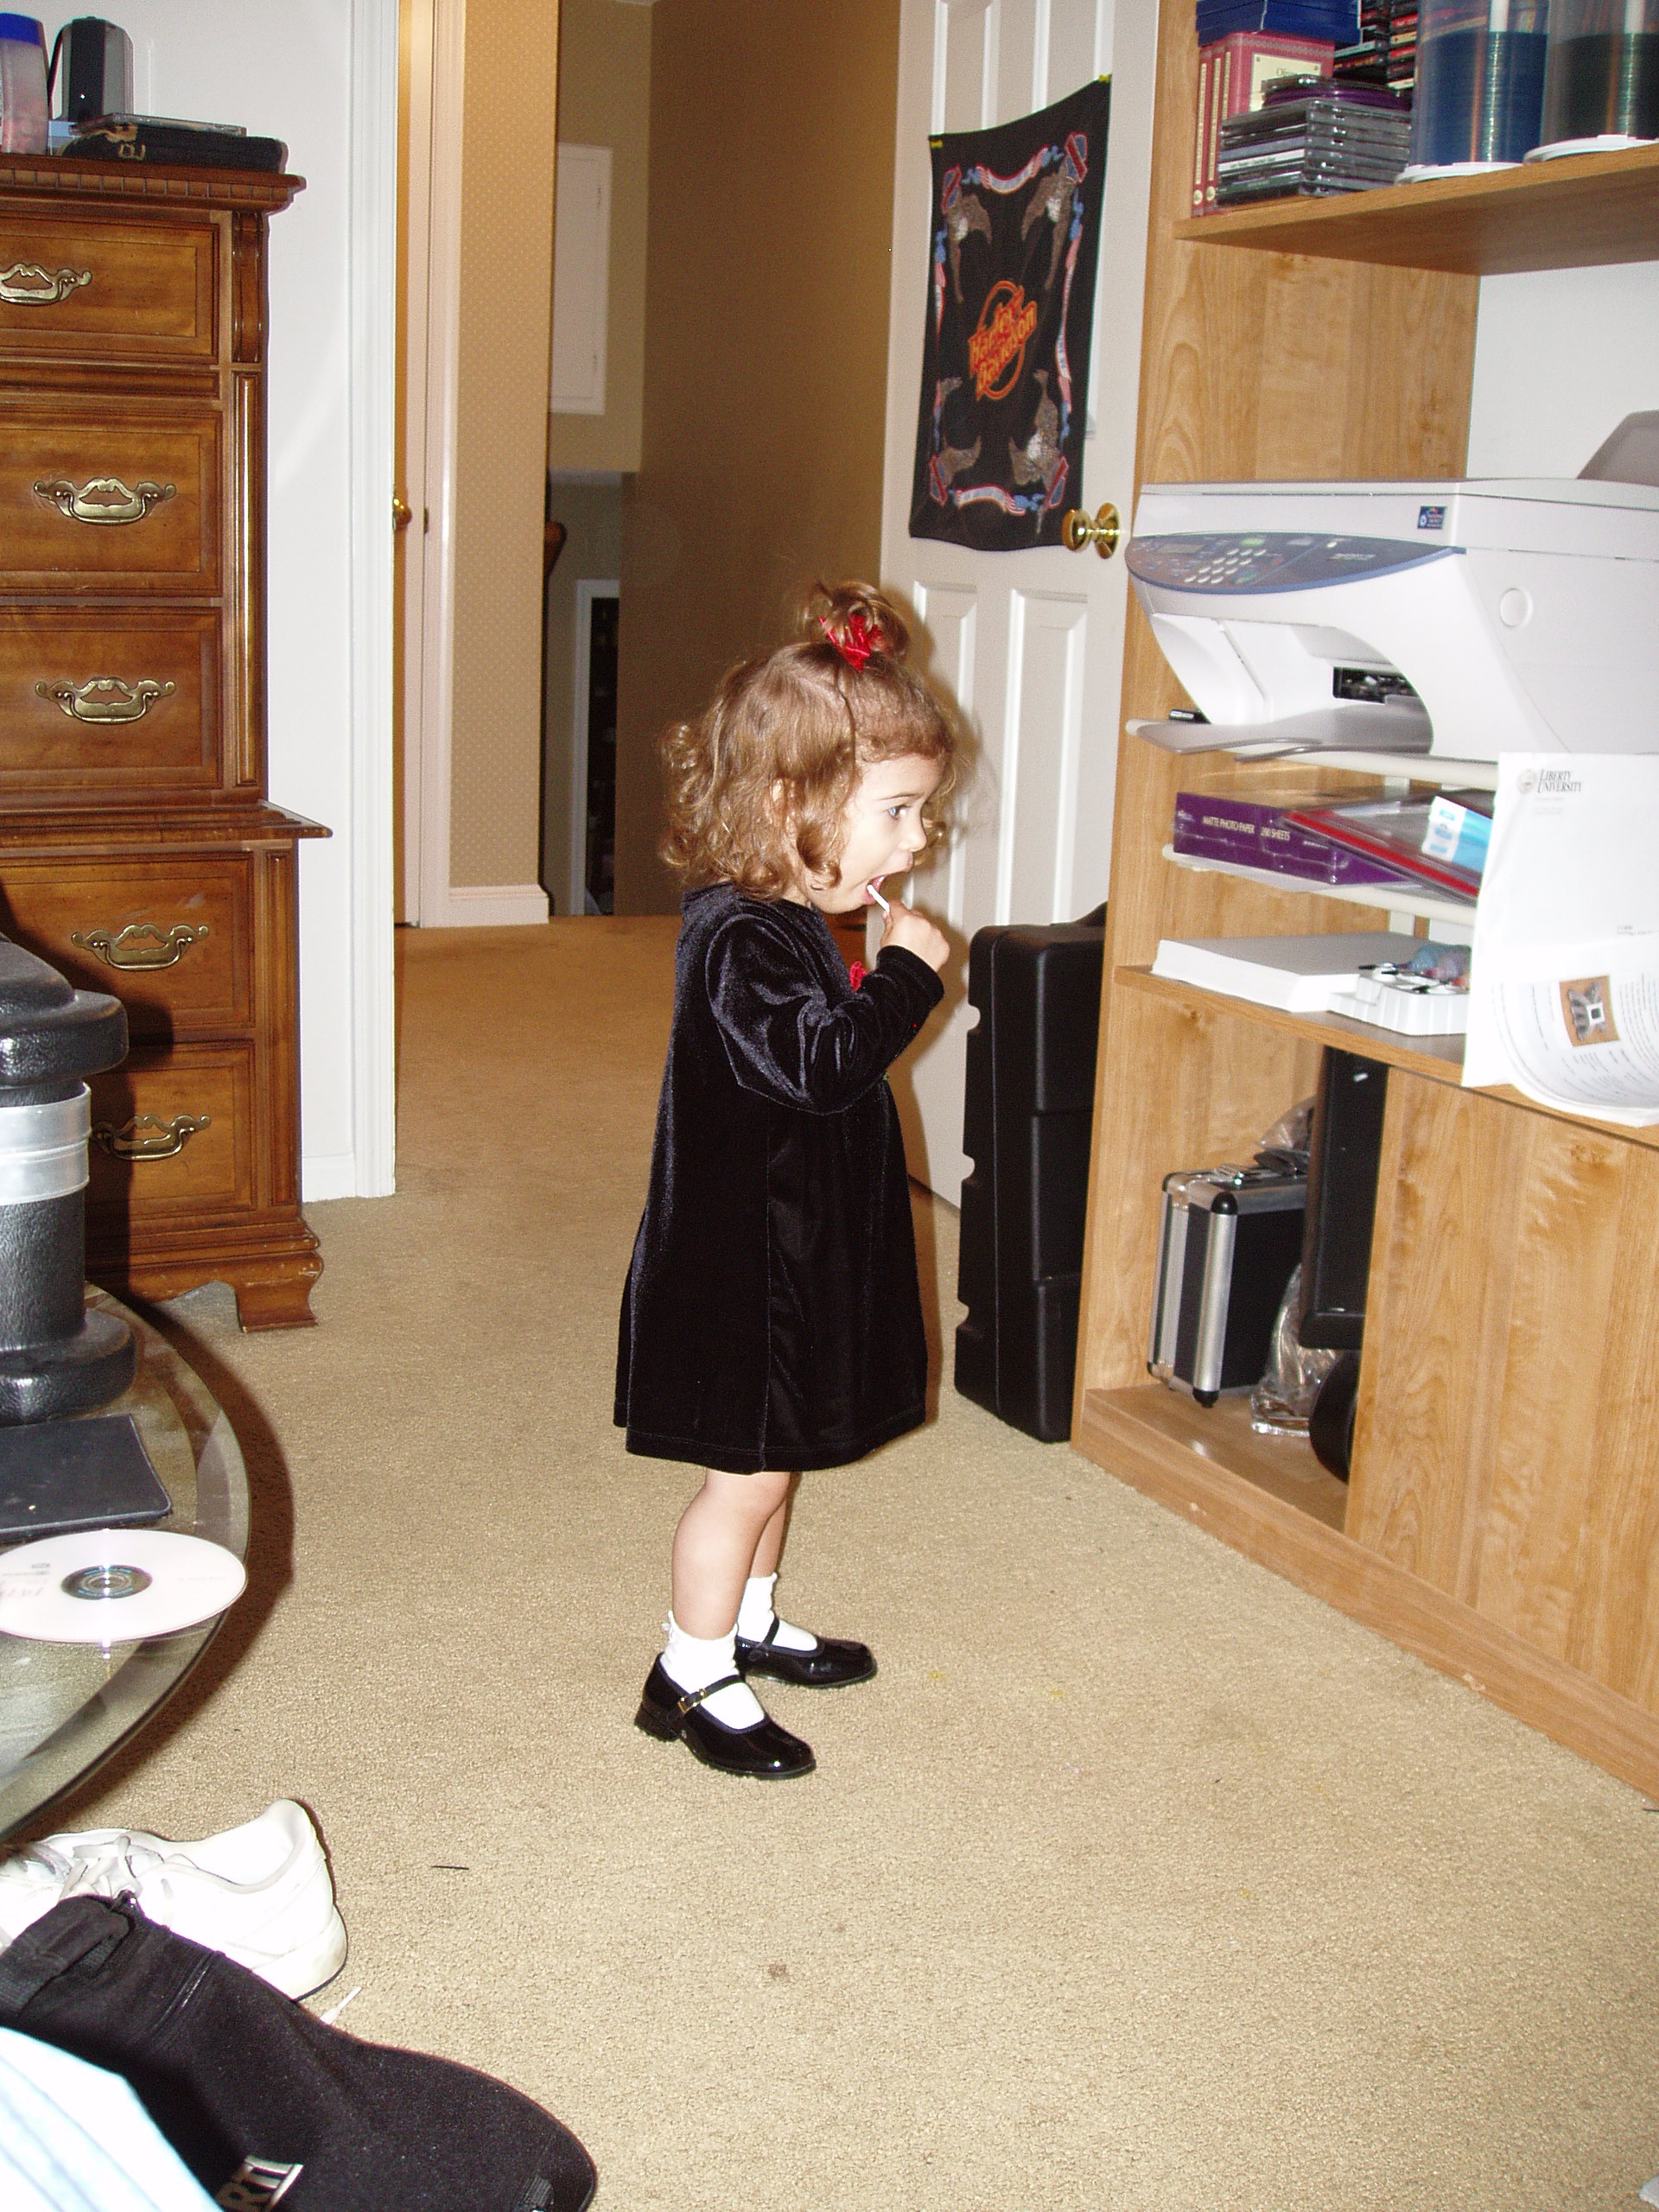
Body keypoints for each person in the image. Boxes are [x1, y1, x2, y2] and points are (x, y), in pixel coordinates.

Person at [615, 582, 956, 1779]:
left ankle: (750, 1621)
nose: (919, 841)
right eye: (898, 811)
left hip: (794, 1250)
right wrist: (905, 981)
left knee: (783, 1458)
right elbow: (821, 1067)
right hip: (745, 1274)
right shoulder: (743, 937)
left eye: (923, 812)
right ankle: (689, 1670)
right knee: (744, 1479)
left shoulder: (788, 917)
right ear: (785, 803)